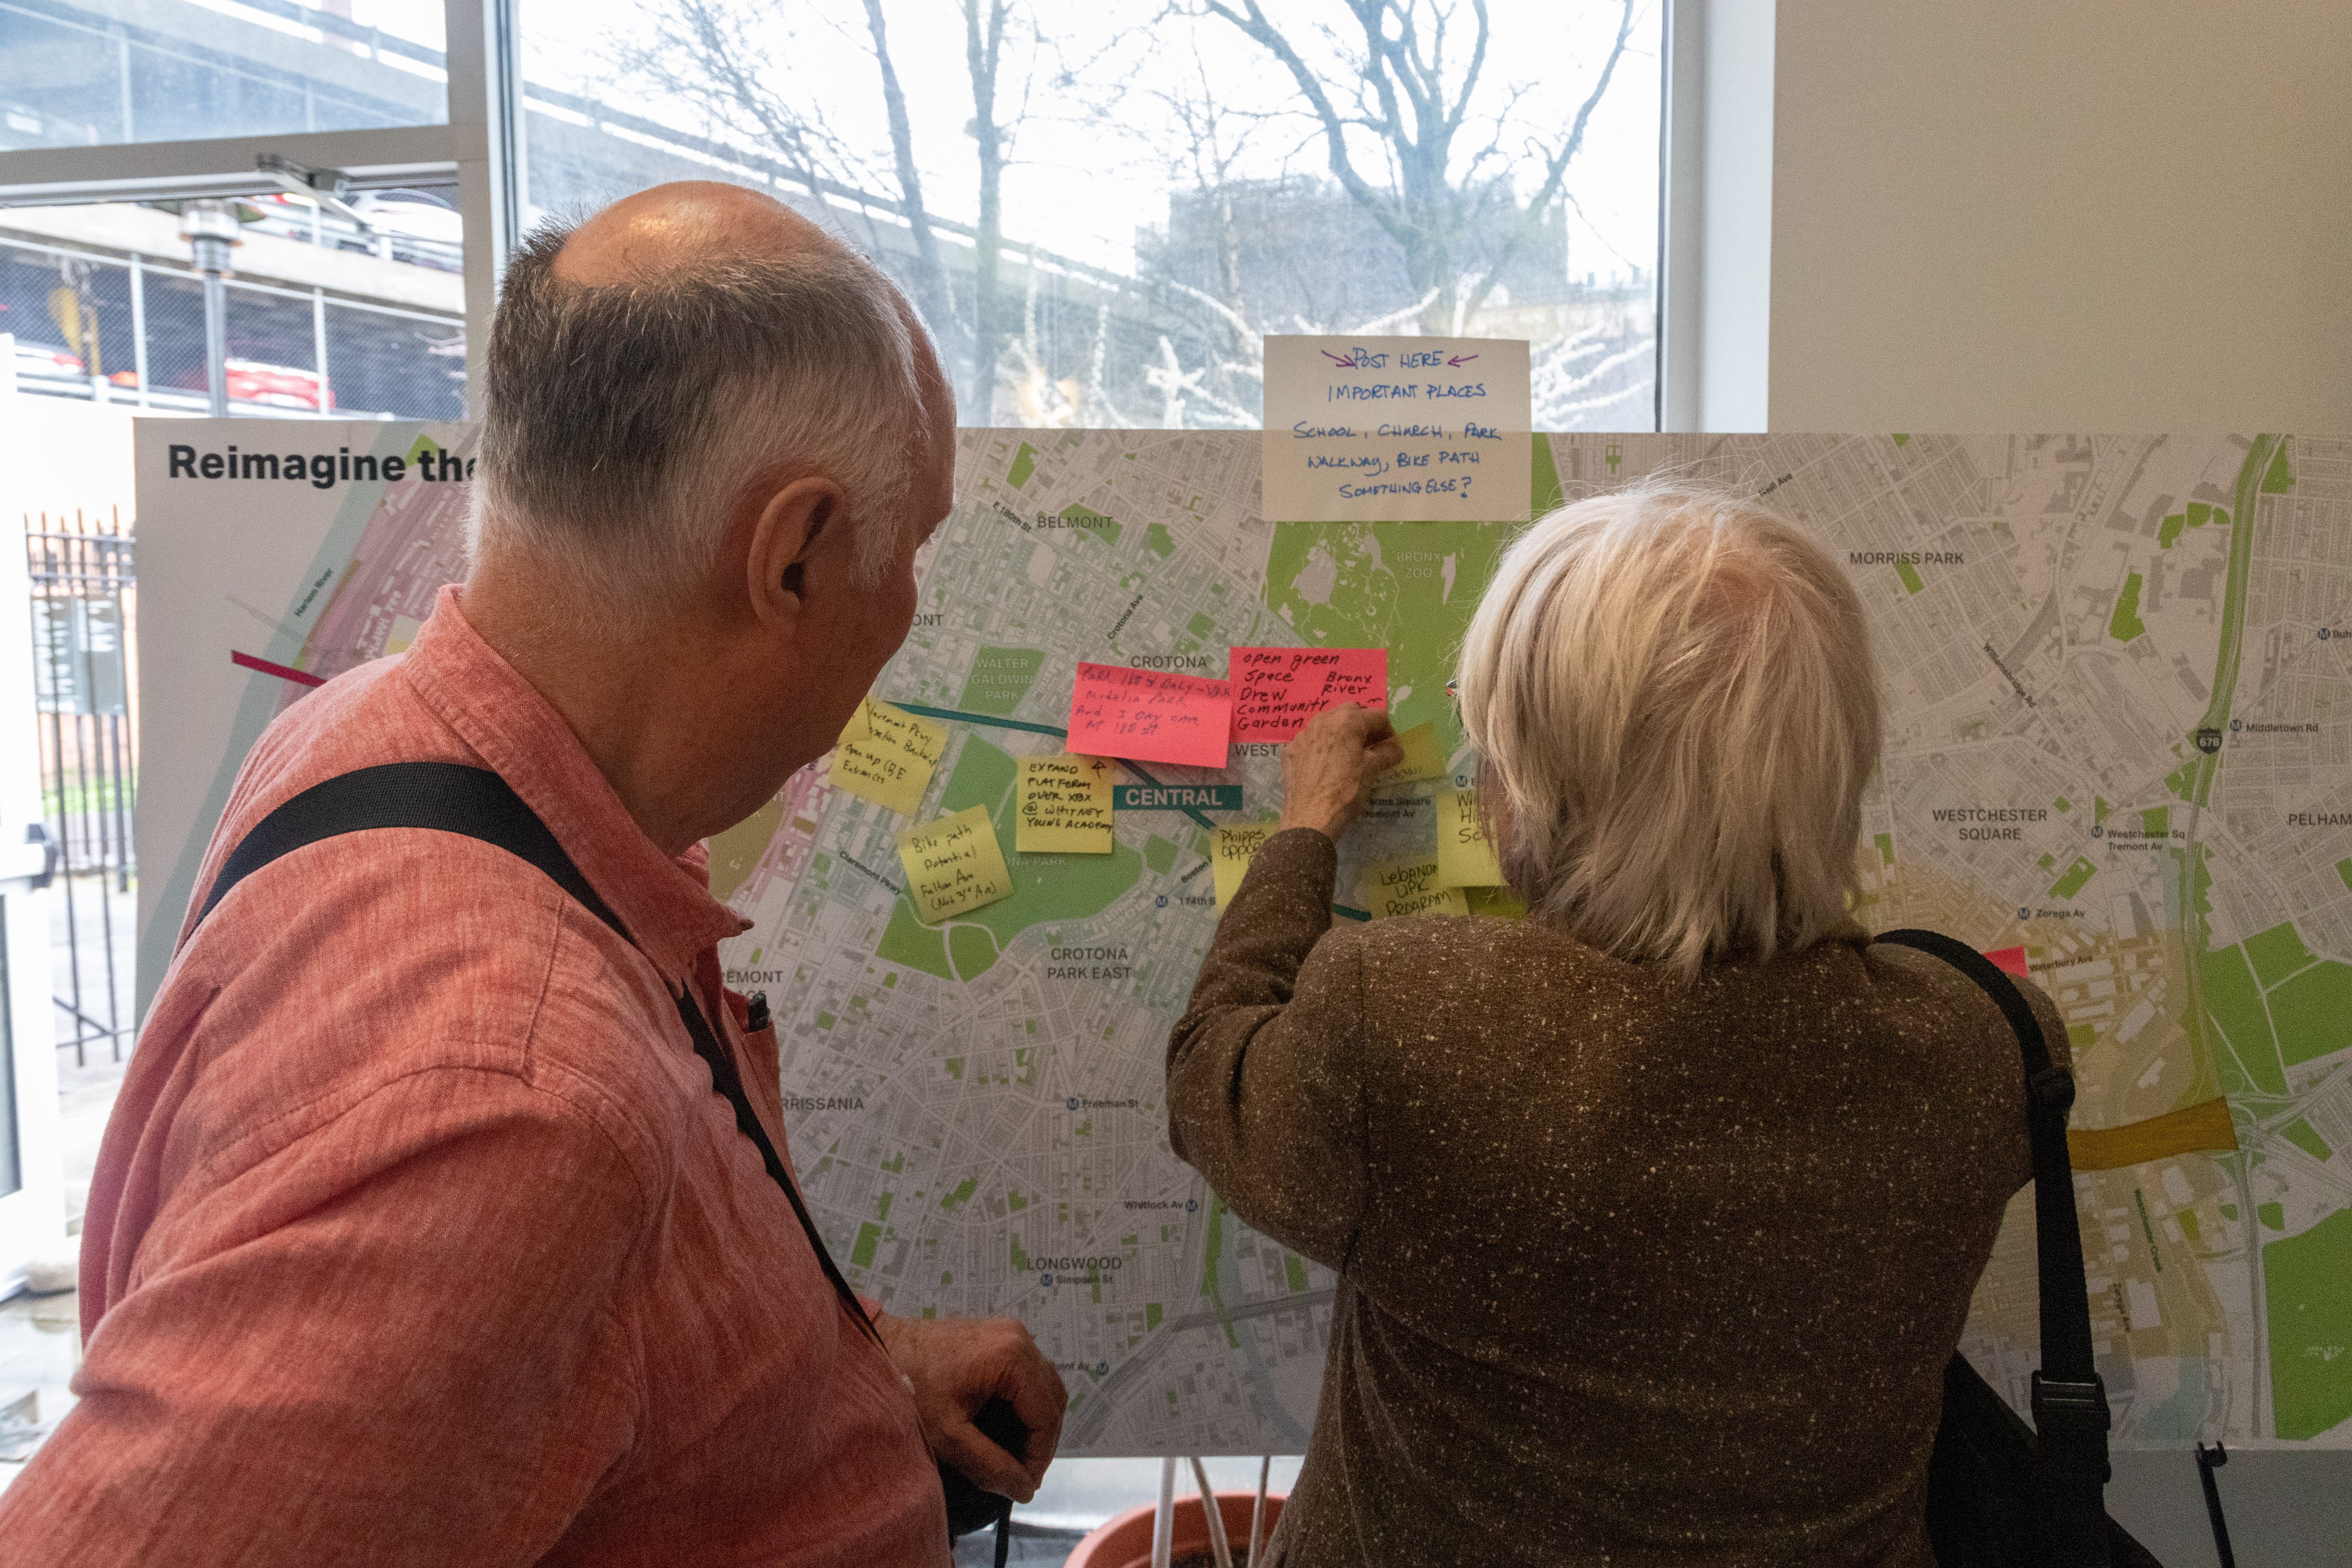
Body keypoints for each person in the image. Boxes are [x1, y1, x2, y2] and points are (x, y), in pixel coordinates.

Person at [0, 182, 1064, 1565]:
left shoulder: (385, 732)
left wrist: (834, 1380)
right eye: (909, 548)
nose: (909, 606)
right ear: (793, 559)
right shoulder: (507, 1101)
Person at [1166, 480, 2068, 1567]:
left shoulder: (1400, 1021)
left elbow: (1212, 1070)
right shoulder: (1988, 1053)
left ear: (1544, 795)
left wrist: (1304, 833)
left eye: (1496, 741)